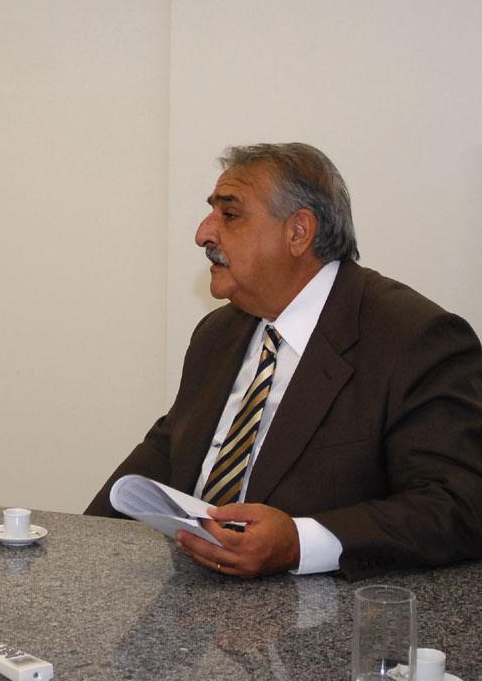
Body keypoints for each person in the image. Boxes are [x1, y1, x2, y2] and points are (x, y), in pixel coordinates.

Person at [85, 143, 482, 580]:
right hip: (192, 592)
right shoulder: (218, 332)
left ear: (298, 232)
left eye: (229, 214)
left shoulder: (413, 338)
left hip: (327, 610)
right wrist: (77, 552)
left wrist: (299, 543)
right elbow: (166, 454)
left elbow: (459, 503)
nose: (203, 234)